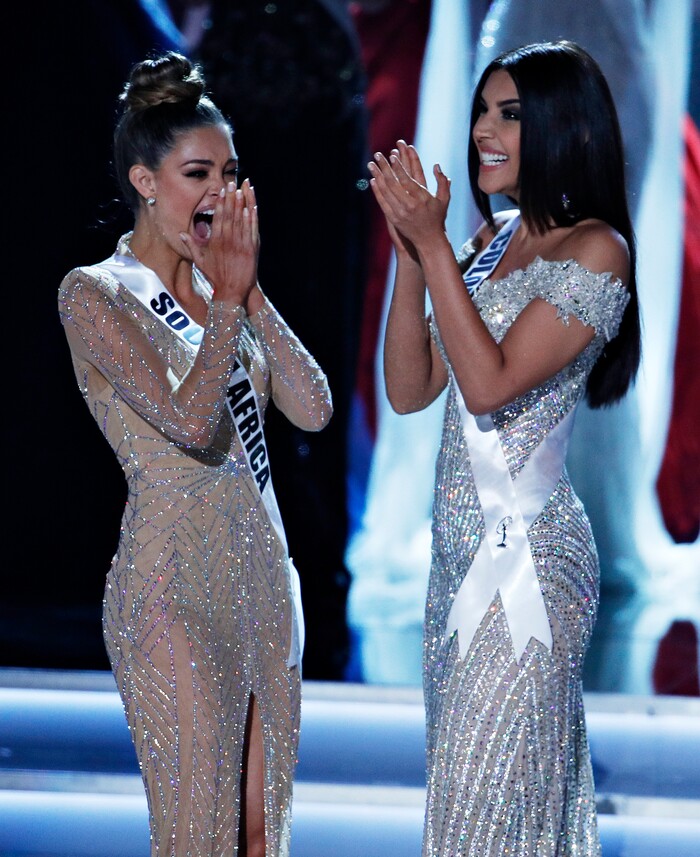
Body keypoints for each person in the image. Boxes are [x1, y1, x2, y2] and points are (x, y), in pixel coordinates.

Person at [367, 40, 640, 855]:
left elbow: (489, 386)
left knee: (490, 809)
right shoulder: (492, 241)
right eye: (483, 110)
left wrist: (437, 244)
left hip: (526, 565)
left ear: (564, 126)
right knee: (468, 807)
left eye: (509, 114)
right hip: (455, 564)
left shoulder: (597, 249)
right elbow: (410, 389)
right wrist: (416, 252)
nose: (485, 129)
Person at [58, 51, 332, 856]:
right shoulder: (95, 293)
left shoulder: (224, 291)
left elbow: (311, 408)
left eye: (231, 172)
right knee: (199, 835)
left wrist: (243, 292)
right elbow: (187, 422)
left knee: (257, 834)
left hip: (264, 581)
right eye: (197, 172)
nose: (219, 191)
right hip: (173, 584)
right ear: (145, 180)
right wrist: (223, 306)